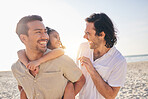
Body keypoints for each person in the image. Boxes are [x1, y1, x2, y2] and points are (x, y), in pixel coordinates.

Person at [11, 15, 85, 99]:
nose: (45, 37)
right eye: (38, 32)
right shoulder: (16, 68)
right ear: (23, 38)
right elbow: (22, 87)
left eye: (45, 32)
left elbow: (80, 80)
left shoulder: (62, 60)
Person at [77, 13, 127, 99]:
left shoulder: (118, 61)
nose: (84, 36)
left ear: (101, 34)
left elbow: (110, 95)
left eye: (88, 33)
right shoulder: (83, 48)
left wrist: (92, 71)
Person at [17, 26, 76, 99]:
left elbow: (61, 51)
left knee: (69, 85)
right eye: (55, 37)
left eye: (59, 38)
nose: (59, 40)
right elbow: (20, 52)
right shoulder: (35, 54)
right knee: (23, 90)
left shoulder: (59, 55)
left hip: (61, 91)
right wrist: (28, 65)